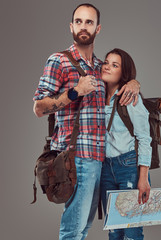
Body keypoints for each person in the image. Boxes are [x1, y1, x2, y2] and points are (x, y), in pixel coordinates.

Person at [33, 3, 140, 240]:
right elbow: (39, 108)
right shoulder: (59, 61)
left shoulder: (101, 68)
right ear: (71, 26)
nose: (83, 26)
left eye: (89, 22)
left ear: (97, 28)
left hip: (100, 160)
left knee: (83, 229)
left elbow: (121, 83)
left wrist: (133, 82)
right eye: (79, 21)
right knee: (73, 230)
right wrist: (75, 92)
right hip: (75, 158)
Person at [100, 48, 152, 240]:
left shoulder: (130, 97)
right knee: (114, 232)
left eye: (115, 65)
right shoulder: (97, 95)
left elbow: (145, 138)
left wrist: (143, 178)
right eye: (106, 62)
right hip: (105, 168)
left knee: (131, 232)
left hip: (128, 166)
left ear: (124, 72)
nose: (107, 67)